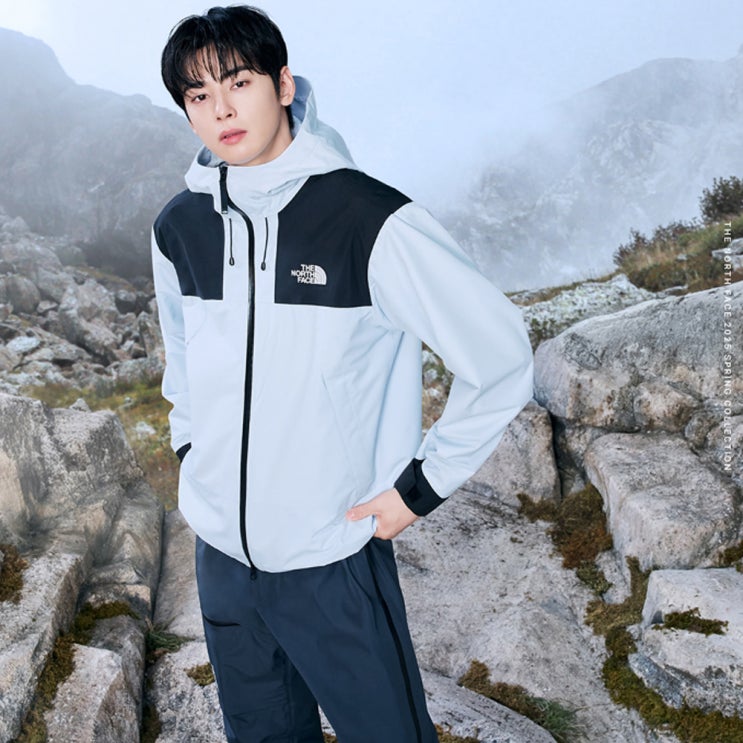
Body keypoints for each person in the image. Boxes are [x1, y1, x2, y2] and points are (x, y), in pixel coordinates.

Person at [152, 6, 534, 742]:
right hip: (223, 559)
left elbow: (500, 353)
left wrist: (419, 488)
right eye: (199, 95)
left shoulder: (365, 216)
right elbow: (183, 352)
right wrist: (192, 449)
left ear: (283, 84)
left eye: (239, 82)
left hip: (332, 553)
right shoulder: (179, 226)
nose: (221, 109)